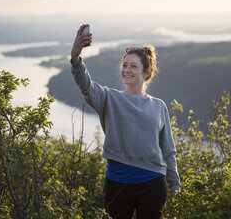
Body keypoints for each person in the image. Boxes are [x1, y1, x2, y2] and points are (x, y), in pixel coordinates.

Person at [70, 24, 180, 219]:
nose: (126, 70)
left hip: (152, 184)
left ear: (147, 73)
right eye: (124, 65)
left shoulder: (159, 106)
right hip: (117, 183)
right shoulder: (109, 98)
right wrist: (76, 59)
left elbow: (168, 150)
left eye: (133, 66)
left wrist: (175, 185)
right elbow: (86, 87)